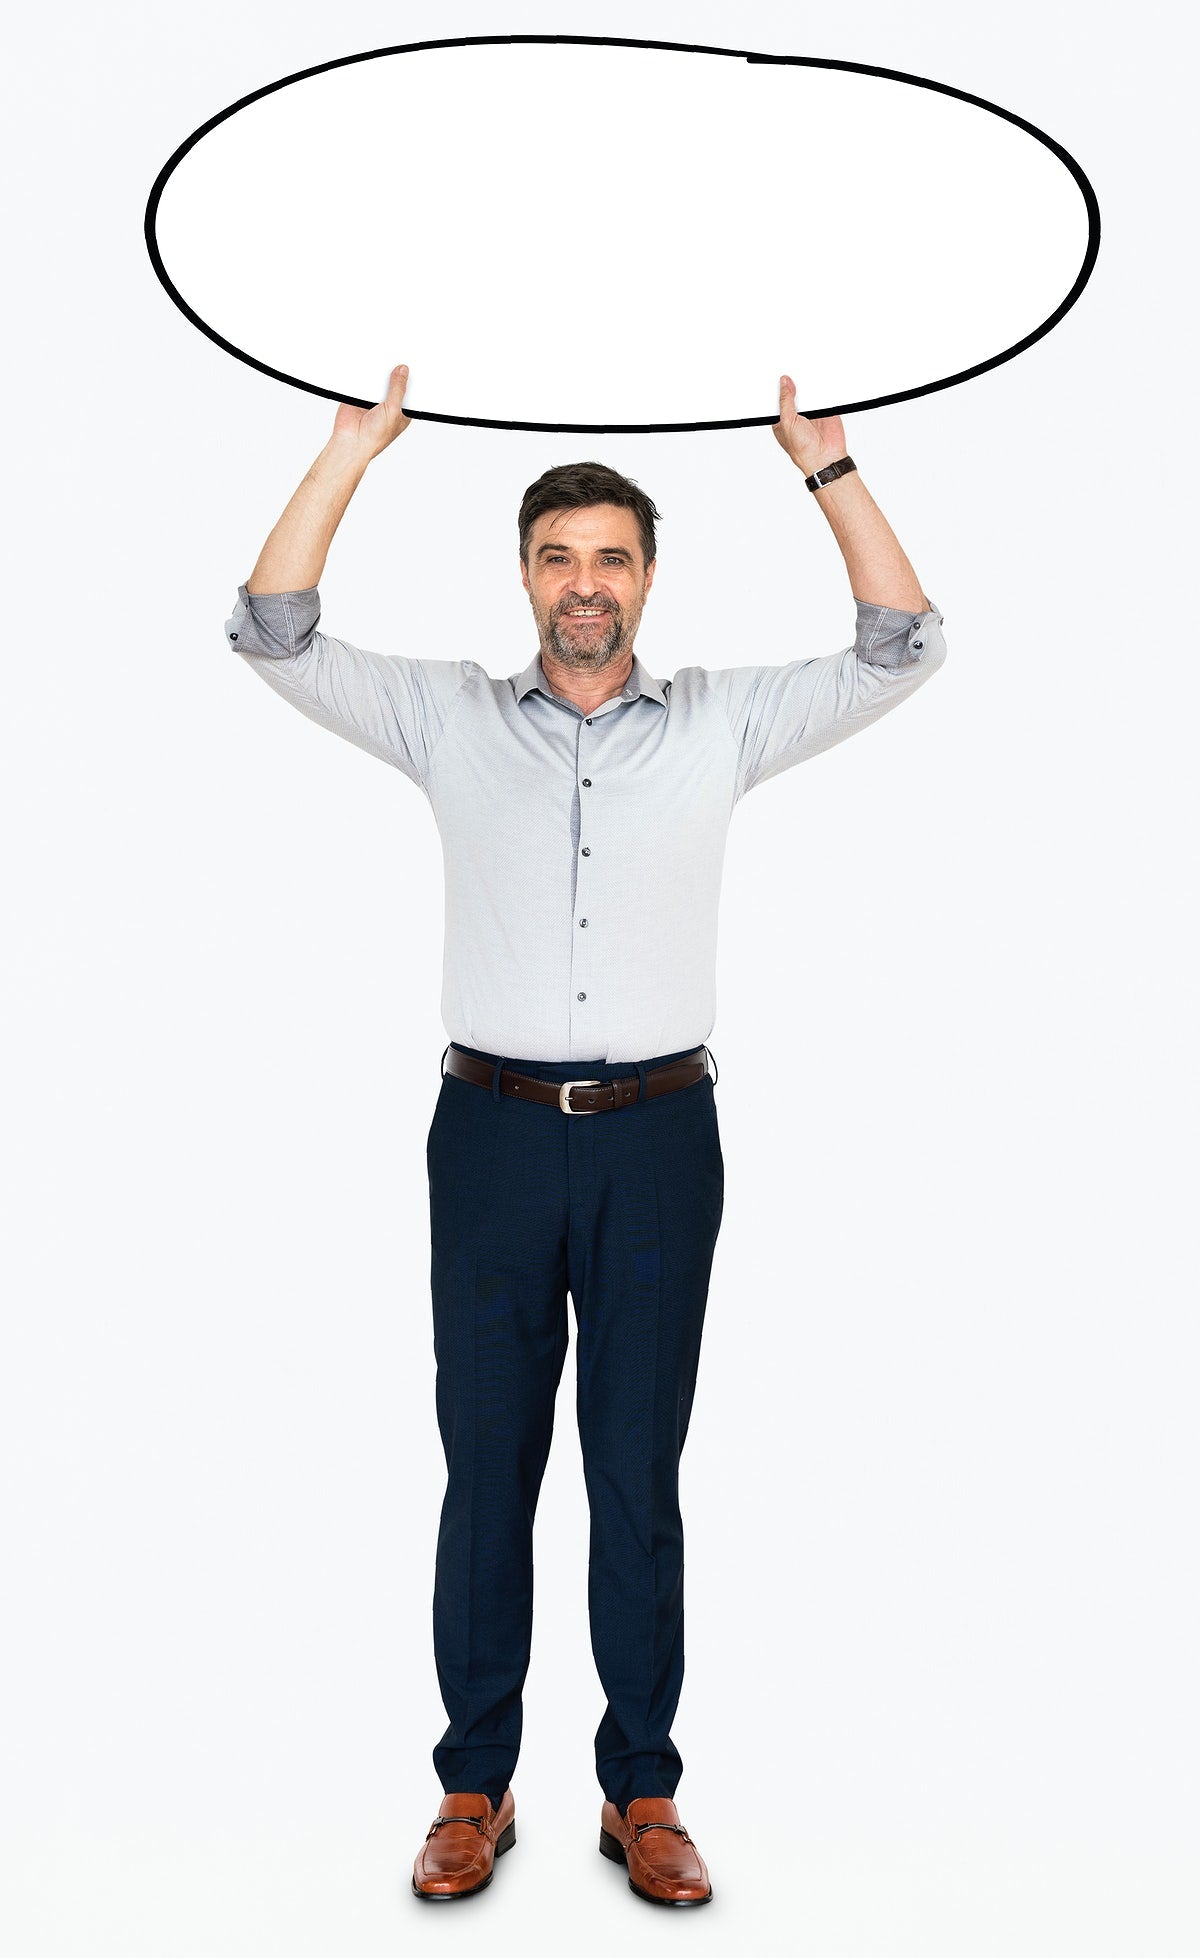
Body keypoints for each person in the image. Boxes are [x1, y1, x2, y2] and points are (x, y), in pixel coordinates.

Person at [224, 363, 948, 1907]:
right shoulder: (448, 716)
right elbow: (273, 629)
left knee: (635, 1470)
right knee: (486, 1465)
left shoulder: (724, 722)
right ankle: (472, 1784)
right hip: (488, 1137)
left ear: (649, 578)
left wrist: (826, 469)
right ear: (525, 576)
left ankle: (643, 1788)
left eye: (611, 557)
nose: (585, 583)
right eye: (559, 557)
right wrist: (348, 453)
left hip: (658, 1142)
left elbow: (903, 643)